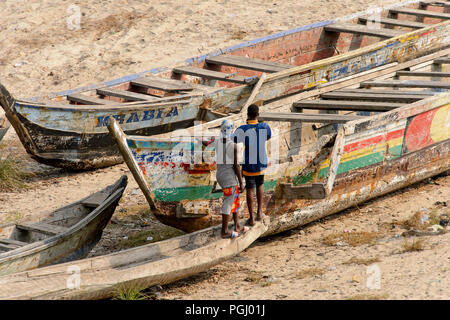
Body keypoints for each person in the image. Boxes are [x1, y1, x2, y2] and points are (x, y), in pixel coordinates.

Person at [233, 104, 271, 226]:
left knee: (250, 189)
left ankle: (252, 219)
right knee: (260, 185)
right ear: (258, 114)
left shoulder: (243, 129)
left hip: (249, 164)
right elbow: (268, 136)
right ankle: (259, 213)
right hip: (261, 162)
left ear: (247, 115)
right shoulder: (264, 126)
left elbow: (234, 139)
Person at [215, 119, 247, 238]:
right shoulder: (233, 146)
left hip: (220, 175)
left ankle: (237, 224)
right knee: (228, 202)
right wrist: (241, 182)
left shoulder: (217, 142)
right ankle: (224, 231)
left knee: (235, 197)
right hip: (229, 177)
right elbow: (236, 166)